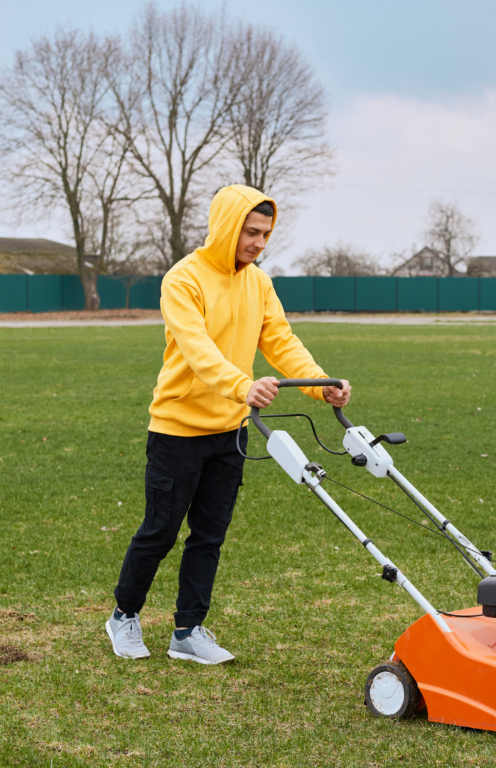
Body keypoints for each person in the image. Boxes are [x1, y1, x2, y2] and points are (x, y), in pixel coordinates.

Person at [105, 185, 350, 664]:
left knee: (209, 536)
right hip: (177, 428)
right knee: (160, 530)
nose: (259, 242)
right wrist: (243, 386)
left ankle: (187, 631)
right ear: (226, 226)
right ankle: (124, 615)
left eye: (266, 234)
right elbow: (198, 351)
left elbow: (281, 342)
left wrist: (321, 386)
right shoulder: (183, 279)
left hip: (230, 432)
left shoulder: (258, 283)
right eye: (251, 231)